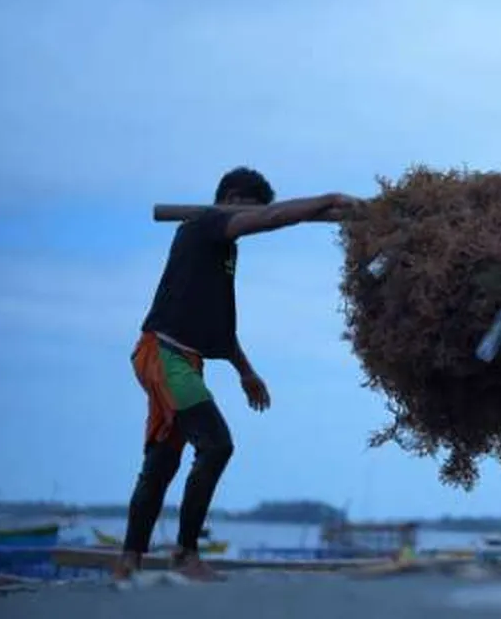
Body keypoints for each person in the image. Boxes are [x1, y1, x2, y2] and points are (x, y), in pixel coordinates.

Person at [114, 167, 360, 581]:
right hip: (164, 355)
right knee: (216, 445)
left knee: (163, 459)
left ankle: (128, 562)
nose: (252, 220)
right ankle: (184, 555)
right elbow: (270, 218)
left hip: (181, 358)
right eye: (250, 211)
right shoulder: (206, 222)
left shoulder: (221, 249)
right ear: (231, 198)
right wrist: (326, 198)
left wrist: (246, 372)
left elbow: (219, 326)